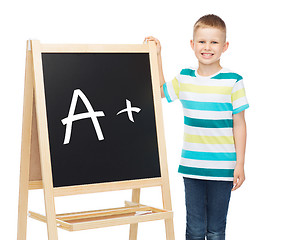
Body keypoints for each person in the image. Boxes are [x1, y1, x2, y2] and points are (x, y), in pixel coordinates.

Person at [144, 14, 249, 240]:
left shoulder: (233, 80)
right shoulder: (185, 78)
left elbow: (239, 124)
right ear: (192, 45)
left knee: (215, 230)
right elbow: (160, 91)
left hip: (222, 168)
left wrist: (240, 163)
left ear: (224, 46)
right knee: (194, 229)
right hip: (192, 167)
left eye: (214, 42)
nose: (207, 47)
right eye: (202, 41)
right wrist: (158, 55)